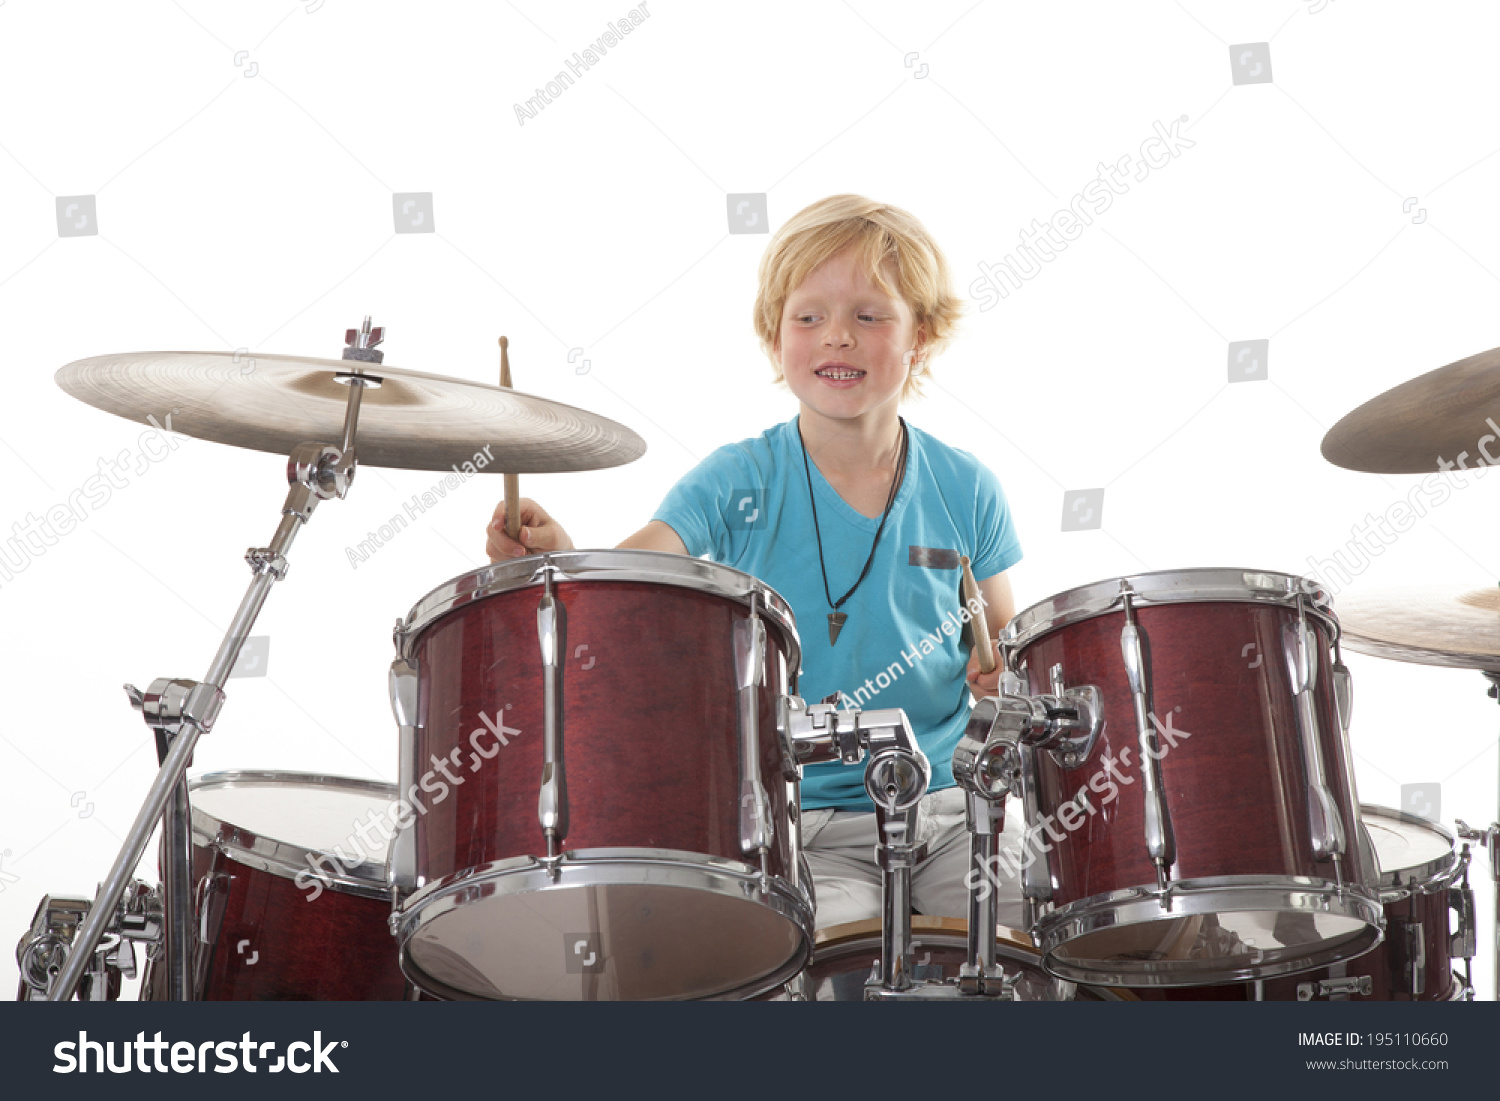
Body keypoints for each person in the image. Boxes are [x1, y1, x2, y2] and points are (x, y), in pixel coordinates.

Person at [484, 194, 1027, 931]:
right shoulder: (737, 479)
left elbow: (1005, 641)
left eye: (870, 316)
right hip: (806, 823)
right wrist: (565, 559)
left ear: (922, 336)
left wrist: (1002, 672)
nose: (837, 336)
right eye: (809, 317)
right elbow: (637, 572)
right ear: (775, 337)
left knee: (1013, 928)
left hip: (951, 813)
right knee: (825, 950)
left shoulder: (967, 487)